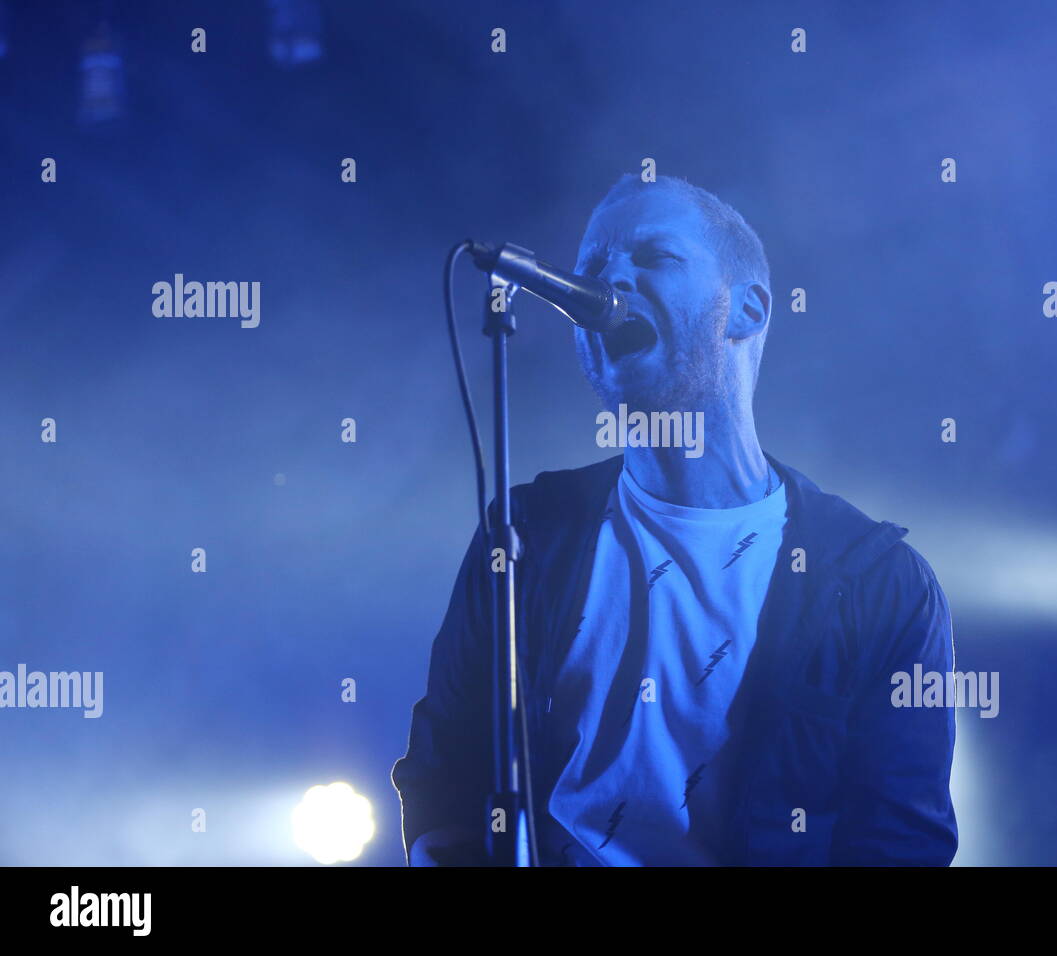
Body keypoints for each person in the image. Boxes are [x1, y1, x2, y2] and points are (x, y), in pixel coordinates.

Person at [392, 174, 958, 866]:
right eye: (595, 267)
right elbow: (444, 776)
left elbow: (900, 842)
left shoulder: (878, 583)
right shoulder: (527, 535)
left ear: (746, 310)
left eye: (655, 257)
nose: (611, 280)